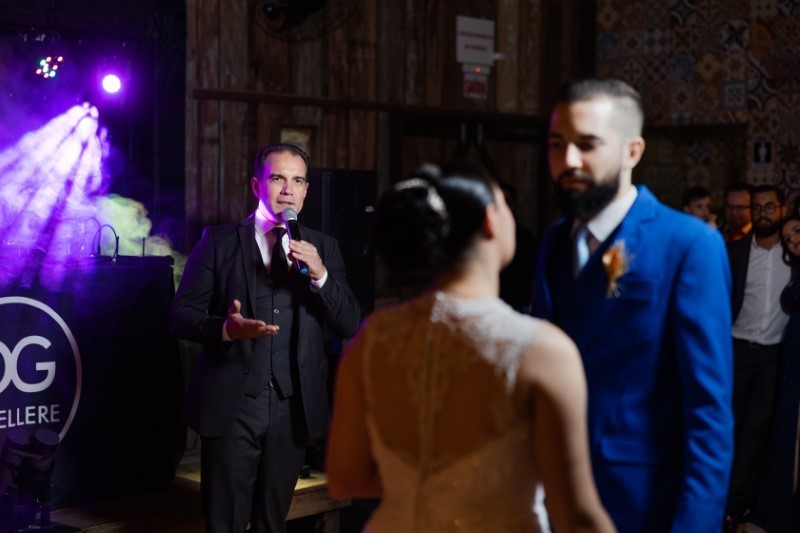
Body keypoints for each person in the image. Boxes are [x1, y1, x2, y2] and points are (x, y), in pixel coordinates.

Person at [326, 162, 615, 532]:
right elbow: (577, 517)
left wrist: (420, 481)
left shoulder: (372, 339)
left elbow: (345, 479)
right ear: (491, 219)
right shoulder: (540, 350)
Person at [532, 78, 734, 532]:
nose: (568, 161)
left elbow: (709, 414)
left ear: (632, 151)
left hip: (641, 502)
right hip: (550, 500)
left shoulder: (689, 245)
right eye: (556, 144)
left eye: (587, 144)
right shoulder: (552, 243)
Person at [169, 143, 361, 532]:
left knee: (272, 523)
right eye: (277, 178)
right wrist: (227, 328)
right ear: (257, 185)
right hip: (234, 403)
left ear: (306, 190)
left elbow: (350, 323)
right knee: (225, 523)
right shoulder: (218, 241)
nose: (288, 189)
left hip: (294, 406)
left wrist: (321, 274)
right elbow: (180, 316)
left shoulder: (324, 248)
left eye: (297, 181)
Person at [725, 184, 791, 529]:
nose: (762, 213)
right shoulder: (734, 252)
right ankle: (717, 497)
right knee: (727, 427)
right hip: (735, 352)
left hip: (773, 357)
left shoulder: (793, 254)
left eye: (769, 207)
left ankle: (737, 506)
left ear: (782, 210)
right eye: (756, 207)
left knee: (757, 433)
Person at [746, 214, 800, 532]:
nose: (793, 241)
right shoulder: (793, 271)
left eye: (797, 231)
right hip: (792, 354)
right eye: (788, 239)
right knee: (788, 432)